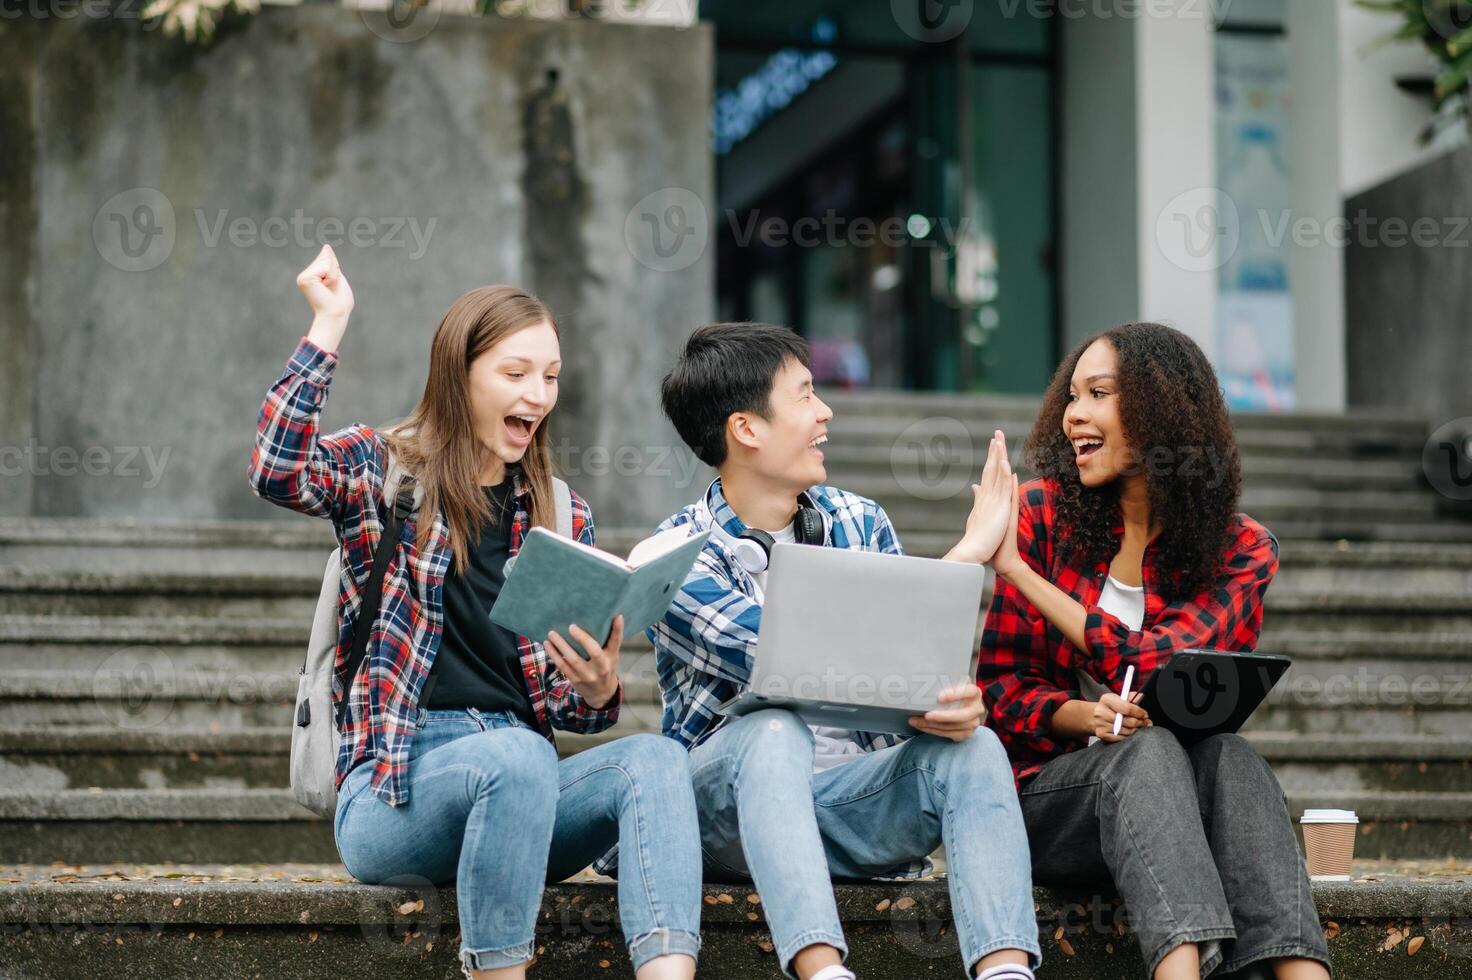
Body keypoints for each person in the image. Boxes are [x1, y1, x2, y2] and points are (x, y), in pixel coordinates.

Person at [248, 244, 703, 980]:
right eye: (516, 373)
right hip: (393, 792)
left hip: (519, 793)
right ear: (460, 378)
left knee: (654, 757)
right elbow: (276, 468)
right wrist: (329, 323)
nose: (539, 394)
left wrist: (594, 689)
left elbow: (567, 713)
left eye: (550, 376)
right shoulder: (382, 471)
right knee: (519, 756)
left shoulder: (561, 514)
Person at [648, 321, 1041, 980]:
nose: (825, 411)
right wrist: (966, 555)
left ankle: (1005, 970)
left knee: (976, 748)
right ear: (746, 429)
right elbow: (791, 658)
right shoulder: (670, 555)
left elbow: (898, 674)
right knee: (770, 729)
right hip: (724, 819)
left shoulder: (860, 521)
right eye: (805, 395)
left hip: (844, 806)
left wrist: (942, 705)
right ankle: (824, 971)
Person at [977, 322, 1332, 980]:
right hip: (1049, 804)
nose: (1074, 414)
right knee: (1146, 750)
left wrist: (1022, 577)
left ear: (1162, 410)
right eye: (1072, 396)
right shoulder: (1040, 515)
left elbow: (1162, 663)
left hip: (1174, 812)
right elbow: (1000, 690)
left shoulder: (1242, 548)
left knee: (1227, 754)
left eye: (1100, 394)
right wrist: (1083, 715)